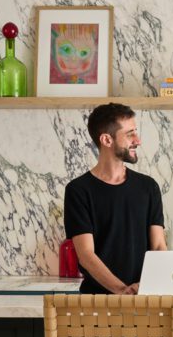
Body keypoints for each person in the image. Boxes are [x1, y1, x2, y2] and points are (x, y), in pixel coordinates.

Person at [64, 102, 166, 294]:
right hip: (96, 302)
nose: (138, 140)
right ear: (107, 140)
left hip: (144, 298)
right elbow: (86, 254)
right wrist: (122, 290)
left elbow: (159, 246)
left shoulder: (148, 187)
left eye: (136, 132)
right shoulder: (78, 190)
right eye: (130, 134)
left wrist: (144, 287)